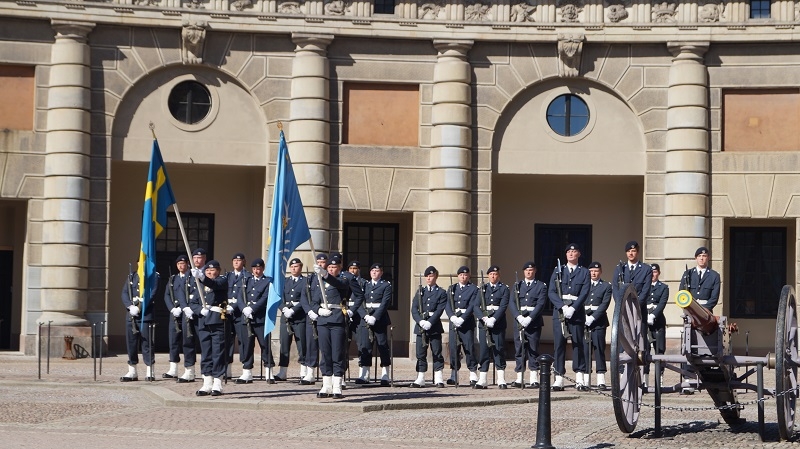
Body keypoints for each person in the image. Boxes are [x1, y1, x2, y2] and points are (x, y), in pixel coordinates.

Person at [309, 255, 361, 398]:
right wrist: (318, 310)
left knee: (337, 353)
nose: (332, 270)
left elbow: (340, 285)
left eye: (334, 267)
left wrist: (325, 274)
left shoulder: (344, 279)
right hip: (323, 321)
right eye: (329, 267)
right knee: (325, 353)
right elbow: (314, 301)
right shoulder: (320, 282)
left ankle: (337, 385)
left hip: (338, 319)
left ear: (340, 268)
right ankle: (326, 385)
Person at [548, 243, 590, 391]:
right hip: (560, 313)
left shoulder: (584, 272)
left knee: (578, 344)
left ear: (579, 254)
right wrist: (563, 307)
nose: (571, 254)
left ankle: (580, 377)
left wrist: (573, 308)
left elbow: (585, 292)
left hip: (576, 313)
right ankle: (559, 378)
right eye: (569, 252)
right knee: (559, 345)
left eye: (574, 251)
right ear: (566, 255)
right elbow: (551, 291)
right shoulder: (558, 271)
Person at [611, 240, 653, 387]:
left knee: (640, 342)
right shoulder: (620, 269)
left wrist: (634, 307)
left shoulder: (646, 269)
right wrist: (621, 305)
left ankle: (642, 376)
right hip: (623, 311)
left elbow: (646, 290)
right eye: (628, 251)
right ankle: (624, 372)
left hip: (639, 311)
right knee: (624, 342)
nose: (631, 253)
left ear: (638, 252)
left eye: (634, 251)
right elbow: (615, 289)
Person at [189, 260, 233, 396]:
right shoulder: (200, 285)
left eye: (212, 270)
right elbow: (193, 301)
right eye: (207, 271)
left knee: (218, 352)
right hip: (203, 322)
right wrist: (199, 310)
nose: (209, 272)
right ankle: (207, 382)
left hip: (217, 321)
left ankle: (217, 383)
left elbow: (214, 284)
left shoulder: (222, 280)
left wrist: (202, 277)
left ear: (218, 271)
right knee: (206, 353)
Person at [509, 261, 547, 388]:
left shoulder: (541, 286)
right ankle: (519, 376)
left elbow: (541, 304)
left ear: (535, 271)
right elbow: (512, 303)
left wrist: (530, 318)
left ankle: (533, 377)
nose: (529, 272)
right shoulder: (517, 286)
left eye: (531, 270)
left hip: (533, 322)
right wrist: (518, 316)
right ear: (523, 272)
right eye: (526, 270)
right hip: (519, 321)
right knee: (519, 349)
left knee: (533, 349)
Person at [409, 265, 447, 388]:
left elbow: (439, 309)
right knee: (420, 353)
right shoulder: (420, 292)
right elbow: (414, 309)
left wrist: (430, 321)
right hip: (421, 326)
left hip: (434, 326)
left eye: (431, 276)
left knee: (437, 352)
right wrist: (420, 321)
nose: (429, 278)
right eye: (427, 276)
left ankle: (438, 377)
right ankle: (421, 377)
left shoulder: (441, 292)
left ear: (436, 277)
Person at [235, 258, 272, 384]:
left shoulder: (267, 281)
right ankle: (247, 372)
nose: (256, 271)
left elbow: (265, 298)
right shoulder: (246, 280)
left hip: (260, 318)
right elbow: (239, 297)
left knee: (265, 345)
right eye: (255, 269)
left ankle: (268, 371)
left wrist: (252, 309)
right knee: (247, 345)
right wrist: (244, 308)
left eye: (259, 268)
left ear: (263, 268)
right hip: (246, 318)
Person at [355, 262, 393, 386]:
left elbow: (385, 303)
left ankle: (385, 374)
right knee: (365, 345)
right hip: (366, 319)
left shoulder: (386, 285)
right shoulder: (364, 285)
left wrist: (375, 317)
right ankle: (364, 374)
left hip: (380, 319)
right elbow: (359, 301)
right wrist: (365, 315)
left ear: (381, 273)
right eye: (372, 271)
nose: (374, 273)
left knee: (382, 345)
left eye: (377, 271)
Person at [473, 265, 509, 389]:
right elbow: (476, 306)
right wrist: (484, 318)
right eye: (491, 274)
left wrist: (493, 318)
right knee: (484, 350)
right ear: (488, 276)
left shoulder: (504, 289)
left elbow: (503, 306)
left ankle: (501, 378)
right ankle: (482, 379)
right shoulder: (482, 289)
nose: (493, 276)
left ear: (498, 275)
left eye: (495, 274)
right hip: (484, 324)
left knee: (498, 349)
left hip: (498, 323)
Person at [120, 261, 157, 382]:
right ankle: (132, 371)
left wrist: (140, 306)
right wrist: (130, 306)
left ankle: (149, 370)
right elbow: (125, 293)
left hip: (145, 315)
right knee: (131, 343)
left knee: (147, 344)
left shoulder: (153, 277)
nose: (142, 264)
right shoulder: (132, 276)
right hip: (131, 315)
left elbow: (152, 294)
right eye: (140, 262)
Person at [176, 248, 206, 383]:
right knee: (188, 342)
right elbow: (180, 292)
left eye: (200, 258)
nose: (197, 260)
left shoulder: (207, 273)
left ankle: (206, 371)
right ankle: (189, 370)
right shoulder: (187, 275)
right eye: (195, 258)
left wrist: (198, 308)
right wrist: (185, 307)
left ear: (204, 259)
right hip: (188, 314)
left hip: (201, 314)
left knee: (205, 344)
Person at [445, 266, 479, 386]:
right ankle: (454, 374)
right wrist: (452, 317)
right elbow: (447, 304)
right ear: (458, 276)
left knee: (469, 348)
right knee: (454, 348)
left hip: (466, 322)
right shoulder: (452, 288)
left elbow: (472, 305)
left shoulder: (474, 289)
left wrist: (462, 318)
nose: (463, 277)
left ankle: (473, 373)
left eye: (465, 275)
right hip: (454, 322)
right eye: (461, 275)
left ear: (469, 276)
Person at [276, 257, 308, 381]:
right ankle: (282, 372)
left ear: (300, 267)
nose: (294, 268)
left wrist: (293, 310)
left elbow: (306, 300)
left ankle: (304, 371)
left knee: (302, 344)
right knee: (284, 344)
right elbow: (278, 298)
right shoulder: (285, 281)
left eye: (296, 266)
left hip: (299, 317)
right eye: (292, 267)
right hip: (286, 317)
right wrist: (284, 309)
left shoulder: (306, 281)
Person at [298, 253, 328, 385]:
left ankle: (328, 374)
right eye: (319, 262)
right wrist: (309, 311)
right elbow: (303, 297)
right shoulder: (309, 279)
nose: (320, 264)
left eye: (323, 262)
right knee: (311, 344)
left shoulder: (329, 278)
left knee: (326, 346)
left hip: (325, 315)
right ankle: (310, 373)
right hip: (311, 315)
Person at [584, 261, 612, 390]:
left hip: (599, 322)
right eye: (591, 271)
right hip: (584, 321)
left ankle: (601, 379)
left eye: (595, 271)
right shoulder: (583, 285)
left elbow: (604, 304)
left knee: (599, 349)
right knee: (585, 350)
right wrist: (584, 317)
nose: (593, 273)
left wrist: (593, 317)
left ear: (600, 272)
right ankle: (585, 379)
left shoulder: (606, 286)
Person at [226, 253, 252, 380]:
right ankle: (228, 368)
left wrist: (235, 306)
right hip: (227, 313)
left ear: (244, 262)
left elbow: (245, 295)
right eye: (234, 260)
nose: (236, 262)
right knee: (228, 341)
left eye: (239, 260)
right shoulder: (228, 276)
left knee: (243, 341)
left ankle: (246, 369)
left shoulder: (248, 276)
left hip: (240, 313)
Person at [163, 255, 188, 379]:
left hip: (186, 314)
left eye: (183, 263)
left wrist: (183, 308)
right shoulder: (172, 279)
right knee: (173, 341)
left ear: (187, 264)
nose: (181, 266)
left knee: (187, 342)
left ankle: (188, 369)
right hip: (174, 314)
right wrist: (172, 308)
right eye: (178, 264)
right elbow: (167, 295)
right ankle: (173, 368)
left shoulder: (191, 278)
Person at [646, 263, 669, 387]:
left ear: (658, 273)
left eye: (655, 272)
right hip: (645, 323)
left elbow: (662, 303)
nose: (653, 275)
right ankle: (645, 378)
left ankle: (659, 379)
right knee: (644, 351)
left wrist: (653, 315)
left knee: (659, 350)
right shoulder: (643, 287)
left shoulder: (664, 287)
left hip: (658, 321)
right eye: (651, 273)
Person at [679, 246, 720, 311]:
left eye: (704, 256)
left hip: (706, 311)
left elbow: (714, 298)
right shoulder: (688, 274)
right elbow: (682, 292)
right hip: (690, 309)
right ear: (696, 258)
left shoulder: (714, 276)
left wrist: (704, 309)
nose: (701, 258)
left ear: (708, 258)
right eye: (699, 256)